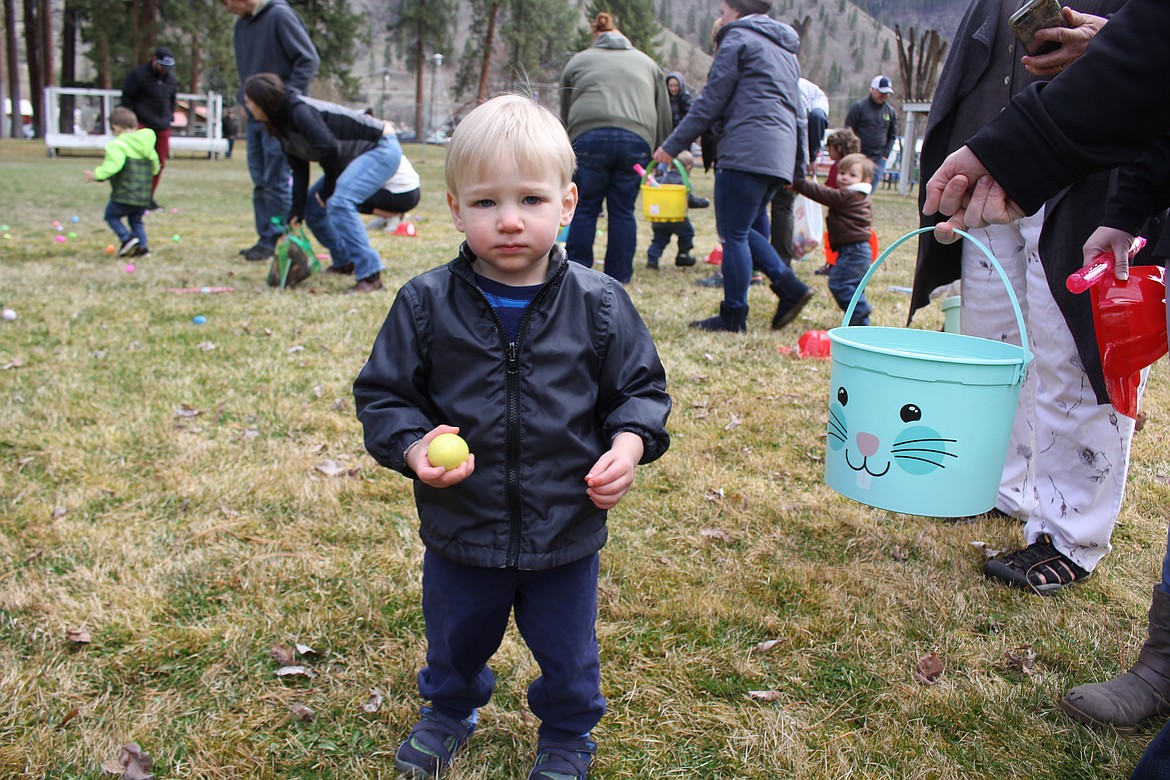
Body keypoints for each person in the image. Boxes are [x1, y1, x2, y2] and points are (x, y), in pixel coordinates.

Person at [352, 94, 672, 780]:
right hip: (462, 523)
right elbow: (384, 396)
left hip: (565, 527)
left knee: (568, 647)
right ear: (454, 208)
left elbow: (641, 392)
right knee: (456, 637)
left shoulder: (601, 303)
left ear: (567, 202)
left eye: (530, 199)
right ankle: (450, 709)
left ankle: (565, 731)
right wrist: (413, 449)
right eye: (486, 202)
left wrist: (629, 445)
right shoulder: (424, 304)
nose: (508, 220)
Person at [912, 0, 1146, 597]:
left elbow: (1151, 49)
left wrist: (1114, 43)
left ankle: (1071, 534)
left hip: (1088, 168)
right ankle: (1002, 489)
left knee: (1074, 352)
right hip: (996, 164)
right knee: (993, 348)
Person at [652, 0, 812, 333]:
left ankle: (734, 315)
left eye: (723, 11)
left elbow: (710, 101)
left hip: (745, 149)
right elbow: (799, 113)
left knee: (734, 234)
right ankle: (787, 287)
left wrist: (671, 146)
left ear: (737, 10)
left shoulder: (737, 38)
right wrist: (799, 166)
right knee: (747, 229)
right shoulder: (785, 51)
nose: (720, 17)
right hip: (778, 155)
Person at [242, 73, 401, 293]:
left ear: (262, 100)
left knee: (339, 201)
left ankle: (371, 275)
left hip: (380, 147)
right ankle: (344, 261)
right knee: (312, 207)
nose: (247, 106)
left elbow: (328, 148)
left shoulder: (298, 111)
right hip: (349, 159)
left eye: (249, 100)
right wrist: (295, 212)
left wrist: (328, 191)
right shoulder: (279, 126)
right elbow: (299, 169)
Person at [560, 11, 673, 284]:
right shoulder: (648, 64)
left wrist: (563, 146)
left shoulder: (578, 61)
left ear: (596, 37)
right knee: (623, 210)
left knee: (585, 207)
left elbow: (565, 108)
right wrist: (661, 149)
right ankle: (618, 279)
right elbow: (663, 111)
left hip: (588, 137)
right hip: (636, 140)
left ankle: (576, 275)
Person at [223, 0, 319, 263]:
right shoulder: (242, 26)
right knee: (261, 180)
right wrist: (247, 101)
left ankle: (278, 238)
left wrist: (284, 102)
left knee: (276, 178)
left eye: (225, 1)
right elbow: (246, 75)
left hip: (278, 117)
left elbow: (307, 60)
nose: (225, 7)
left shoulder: (279, 15)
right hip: (256, 116)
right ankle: (266, 235)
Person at [791, 153, 874, 325]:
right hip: (854, 250)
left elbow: (826, 195)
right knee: (854, 288)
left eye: (852, 175)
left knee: (839, 283)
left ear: (865, 180)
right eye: (842, 172)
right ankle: (859, 324)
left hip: (855, 251)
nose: (844, 177)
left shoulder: (851, 195)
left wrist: (799, 184)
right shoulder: (855, 195)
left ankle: (860, 312)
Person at [83, 106, 160, 259]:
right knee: (136, 220)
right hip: (143, 195)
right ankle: (142, 248)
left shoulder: (117, 144)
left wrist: (97, 175)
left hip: (125, 193)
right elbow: (155, 168)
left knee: (111, 216)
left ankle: (127, 239)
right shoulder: (147, 146)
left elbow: (114, 166)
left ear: (115, 127)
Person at [118, 46, 177, 210]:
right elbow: (127, 98)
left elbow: (172, 100)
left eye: (168, 68)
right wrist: (132, 121)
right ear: (154, 61)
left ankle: (148, 197)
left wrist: (169, 116)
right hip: (142, 124)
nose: (165, 70)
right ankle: (133, 196)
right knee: (138, 162)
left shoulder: (171, 79)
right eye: (162, 66)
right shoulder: (139, 76)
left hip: (162, 125)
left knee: (159, 162)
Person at [646, 149, 708, 270]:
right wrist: (704, 202)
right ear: (688, 167)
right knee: (687, 233)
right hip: (678, 218)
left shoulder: (660, 181)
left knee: (659, 239)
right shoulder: (684, 182)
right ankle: (683, 254)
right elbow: (689, 201)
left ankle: (652, 259)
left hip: (660, 218)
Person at [813, 127, 862, 276]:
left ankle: (834, 264)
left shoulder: (840, 167)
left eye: (830, 148)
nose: (828, 152)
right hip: (850, 217)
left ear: (838, 148)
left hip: (840, 216)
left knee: (836, 241)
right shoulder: (856, 165)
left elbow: (831, 189)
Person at [845, 75, 897, 193]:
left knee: (868, 191)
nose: (884, 96)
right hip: (859, 156)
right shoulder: (858, 107)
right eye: (881, 92)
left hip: (878, 159)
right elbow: (848, 130)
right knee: (853, 188)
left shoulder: (890, 112)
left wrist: (885, 155)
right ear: (872, 90)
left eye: (887, 93)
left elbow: (892, 135)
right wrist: (852, 152)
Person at [361, 153, 421, 233]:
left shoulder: (376, 155)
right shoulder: (392, 149)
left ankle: (392, 216)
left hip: (401, 196)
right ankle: (384, 218)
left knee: (350, 198)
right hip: (414, 193)